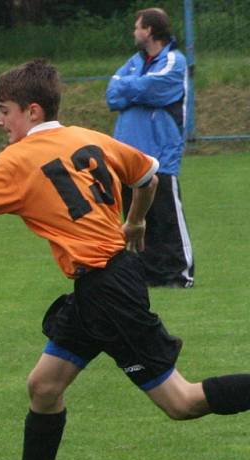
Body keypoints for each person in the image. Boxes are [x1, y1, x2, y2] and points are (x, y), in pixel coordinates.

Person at [0, 59, 250, 460]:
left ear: (32, 111)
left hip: (109, 293)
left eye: (4, 111)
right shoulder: (87, 136)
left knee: (181, 401)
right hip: (100, 283)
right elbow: (147, 176)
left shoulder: (19, 158)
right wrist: (133, 222)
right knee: (44, 386)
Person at [106, 8, 194, 288]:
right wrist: (137, 90)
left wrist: (131, 91)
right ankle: (147, 274)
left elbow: (157, 89)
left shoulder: (174, 61)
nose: (134, 32)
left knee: (165, 216)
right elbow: (112, 93)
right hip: (130, 156)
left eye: (137, 27)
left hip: (160, 152)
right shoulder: (133, 62)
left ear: (150, 31)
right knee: (136, 218)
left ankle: (179, 273)